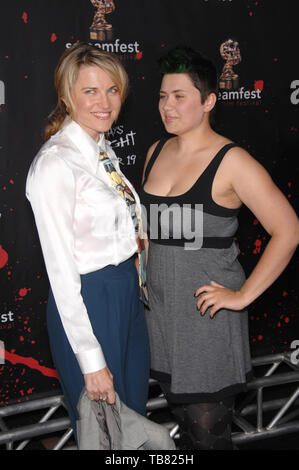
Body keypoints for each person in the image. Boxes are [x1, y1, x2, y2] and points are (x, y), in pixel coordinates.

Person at [140, 45, 299, 450]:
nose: (167, 107)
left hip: (206, 326)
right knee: (180, 432)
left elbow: (288, 230)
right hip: (160, 322)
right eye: (162, 96)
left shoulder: (233, 161)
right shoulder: (154, 152)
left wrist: (243, 295)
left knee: (208, 440)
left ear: (209, 100)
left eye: (179, 97)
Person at [26, 43, 150, 443]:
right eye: (90, 91)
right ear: (66, 95)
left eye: (112, 90)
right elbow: (61, 272)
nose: (105, 101)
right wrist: (91, 358)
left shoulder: (102, 150)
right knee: (105, 434)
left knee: (130, 422)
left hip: (124, 296)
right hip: (87, 304)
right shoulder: (55, 163)